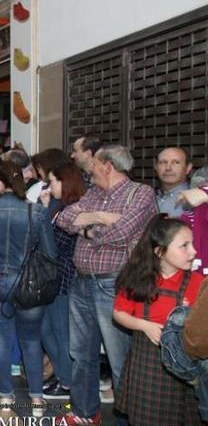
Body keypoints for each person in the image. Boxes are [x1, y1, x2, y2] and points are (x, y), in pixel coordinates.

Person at [55, 144, 157, 425]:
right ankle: (84, 412)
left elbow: (123, 233)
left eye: (94, 165)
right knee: (81, 354)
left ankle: (128, 418)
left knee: (119, 358)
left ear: (108, 166)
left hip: (115, 284)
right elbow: (63, 219)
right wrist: (100, 219)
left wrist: (88, 225)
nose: (89, 170)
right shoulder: (95, 194)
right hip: (81, 282)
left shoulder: (141, 194)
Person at [0, 161, 57, 415]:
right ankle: (36, 400)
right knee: (32, 341)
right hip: (30, 285)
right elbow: (50, 253)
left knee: (0, 338)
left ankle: (5, 398)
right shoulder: (37, 212)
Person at [113, 216, 203, 425]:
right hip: (148, 365)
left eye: (192, 244)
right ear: (160, 252)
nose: (193, 252)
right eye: (184, 246)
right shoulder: (138, 280)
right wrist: (144, 325)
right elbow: (119, 313)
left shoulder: (198, 282)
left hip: (185, 364)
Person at [38, 162, 86, 400]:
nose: (50, 186)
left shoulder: (75, 210)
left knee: (59, 331)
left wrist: (45, 212)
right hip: (52, 276)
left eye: (53, 181)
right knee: (47, 329)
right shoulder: (59, 207)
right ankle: (62, 375)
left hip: (63, 278)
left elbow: (54, 245)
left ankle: (67, 382)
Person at [155, 147, 192, 218]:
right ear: (156, 167)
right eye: (163, 162)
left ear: (188, 168)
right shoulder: (148, 197)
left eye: (176, 162)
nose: (168, 168)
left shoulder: (196, 200)